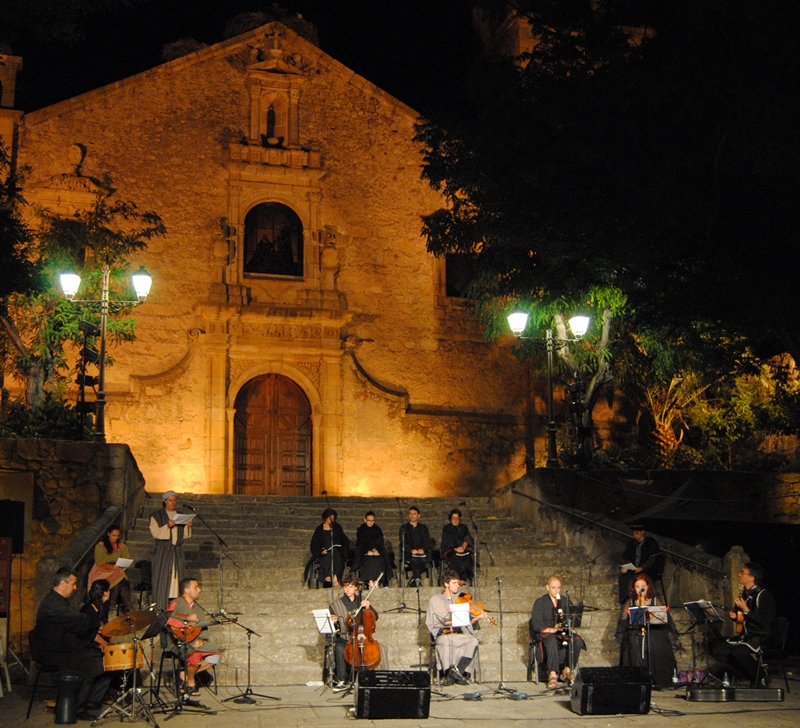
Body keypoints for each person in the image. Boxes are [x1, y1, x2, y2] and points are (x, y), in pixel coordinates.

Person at [33, 567, 110, 720]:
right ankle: (79, 708)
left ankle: (86, 703)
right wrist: (94, 624)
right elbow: (77, 619)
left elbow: (75, 622)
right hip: (53, 653)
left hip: (61, 649)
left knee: (100, 660)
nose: (75, 588)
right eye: (73, 584)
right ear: (63, 583)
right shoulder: (52, 603)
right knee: (95, 664)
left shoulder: (58, 601)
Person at [711, 562, 776, 686]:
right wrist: (736, 617)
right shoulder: (744, 595)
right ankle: (753, 674)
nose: (739, 574)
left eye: (743, 573)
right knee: (718, 651)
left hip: (760, 635)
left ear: (752, 578)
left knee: (738, 652)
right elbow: (742, 621)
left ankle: (760, 675)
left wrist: (746, 609)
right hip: (745, 635)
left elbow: (765, 622)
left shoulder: (764, 595)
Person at [615, 574, 677, 689]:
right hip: (635, 629)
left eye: (643, 586)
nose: (640, 589)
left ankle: (658, 678)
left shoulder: (655, 600)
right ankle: (635, 677)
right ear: (634, 588)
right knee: (632, 640)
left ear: (648, 587)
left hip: (653, 629)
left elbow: (664, 617)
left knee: (656, 640)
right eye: (637, 586)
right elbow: (623, 619)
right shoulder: (631, 602)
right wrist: (631, 624)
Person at [426, 570, 485, 685]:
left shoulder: (462, 599)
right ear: (446, 584)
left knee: (473, 641)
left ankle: (456, 673)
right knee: (446, 640)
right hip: (445, 634)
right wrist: (446, 624)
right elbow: (431, 623)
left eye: (458, 583)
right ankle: (449, 672)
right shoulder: (435, 600)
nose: (457, 585)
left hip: (459, 634)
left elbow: (467, 624)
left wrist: (476, 619)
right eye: (454, 583)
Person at [166, 577, 221, 696]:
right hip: (178, 641)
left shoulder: (199, 609)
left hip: (195, 640)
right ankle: (191, 683)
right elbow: (168, 620)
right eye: (196, 587)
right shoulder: (176, 603)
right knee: (194, 655)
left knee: (215, 656)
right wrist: (186, 621)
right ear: (186, 590)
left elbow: (203, 627)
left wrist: (202, 639)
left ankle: (184, 675)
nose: (199, 590)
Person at [529, 576, 586, 689]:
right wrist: (551, 629)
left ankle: (567, 670)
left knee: (578, 641)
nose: (556, 591)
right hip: (547, 632)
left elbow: (572, 619)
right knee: (551, 639)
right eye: (553, 588)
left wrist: (565, 623)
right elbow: (536, 623)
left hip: (562, 631)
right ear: (547, 587)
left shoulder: (565, 601)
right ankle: (553, 674)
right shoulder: (540, 602)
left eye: (558, 588)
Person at [329, 572, 381, 692]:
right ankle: (343, 679)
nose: (348, 589)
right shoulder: (335, 605)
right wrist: (333, 620)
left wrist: (369, 607)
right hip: (345, 636)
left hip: (362, 636)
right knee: (339, 648)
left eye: (351, 587)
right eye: (346, 586)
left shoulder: (362, 600)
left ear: (356, 587)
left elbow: (375, 617)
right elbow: (334, 627)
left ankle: (364, 678)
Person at [150, 491, 193, 610]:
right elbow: (155, 533)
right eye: (170, 500)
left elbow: (185, 535)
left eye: (174, 500)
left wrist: (188, 526)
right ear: (165, 501)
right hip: (163, 552)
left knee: (176, 580)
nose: (173, 503)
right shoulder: (156, 516)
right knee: (162, 581)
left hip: (176, 552)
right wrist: (167, 526)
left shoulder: (180, 515)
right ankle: (161, 610)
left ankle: (176, 609)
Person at [87, 523, 135, 616]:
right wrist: (112, 567)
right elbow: (100, 563)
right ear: (108, 534)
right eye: (113, 535)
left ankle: (120, 607)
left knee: (120, 578)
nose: (115, 538)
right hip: (101, 571)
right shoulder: (100, 546)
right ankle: (128, 607)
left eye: (117, 536)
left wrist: (120, 564)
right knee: (119, 576)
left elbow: (127, 557)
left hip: (116, 570)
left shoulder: (121, 546)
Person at [618, 524, 661, 603]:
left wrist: (641, 567)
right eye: (634, 533)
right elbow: (626, 557)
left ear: (642, 532)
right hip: (634, 568)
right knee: (624, 578)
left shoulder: (650, 542)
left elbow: (652, 558)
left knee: (641, 577)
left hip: (647, 569)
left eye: (637, 533)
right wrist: (625, 567)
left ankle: (642, 599)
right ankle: (626, 600)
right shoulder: (631, 544)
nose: (635, 535)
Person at [310, 508, 350, 588]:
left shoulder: (337, 527)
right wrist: (320, 551)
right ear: (325, 518)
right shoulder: (319, 529)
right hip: (324, 553)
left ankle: (329, 578)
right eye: (329, 519)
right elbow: (315, 544)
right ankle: (333, 578)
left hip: (336, 552)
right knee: (328, 554)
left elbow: (344, 540)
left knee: (334, 552)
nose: (331, 521)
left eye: (333, 519)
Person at [353, 511, 392, 588]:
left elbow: (380, 542)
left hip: (376, 552)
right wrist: (367, 551)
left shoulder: (377, 530)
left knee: (379, 560)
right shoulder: (361, 530)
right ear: (365, 520)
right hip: (364, 553)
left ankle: (376, 581)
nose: (371, 522)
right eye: (369, 520)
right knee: (369, 560)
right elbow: (361, 543)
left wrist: (377, 550)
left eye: (372, 521)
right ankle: (370, 581)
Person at [399, 506, 432, 587]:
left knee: (424, 559)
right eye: (410, 514)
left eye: (414, 514)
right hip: (410, 553)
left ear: (418, 515)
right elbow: (403, 542)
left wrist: (422, 549)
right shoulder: (404, 528)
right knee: (413, 559)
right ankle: (417, 578)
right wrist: (411, 550)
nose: (412, 516)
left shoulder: (423, 528)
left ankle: (414, 579)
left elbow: (427, 540)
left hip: (421, 553)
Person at [440, 509, 474, 583]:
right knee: (454, 557)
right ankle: (456, 578)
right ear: (450, 519)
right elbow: (446, 542)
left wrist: (463, 547)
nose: (455, 520)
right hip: (451, 549)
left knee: (467, 556)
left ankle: (464, 578)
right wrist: (455, 548)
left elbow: (467, 538)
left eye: (457, 518)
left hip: (463, 549)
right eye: (453, 518)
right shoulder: (446, 529)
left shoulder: (464, 527)